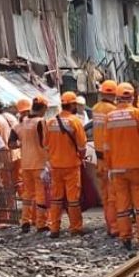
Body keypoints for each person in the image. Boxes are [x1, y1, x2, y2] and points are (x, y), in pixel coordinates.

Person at [106, 82, 139, 250]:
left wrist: (109, 167)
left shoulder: (110, 117)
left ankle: (125, 237)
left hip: (117, 168)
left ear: (117, 98)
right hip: (138, 166)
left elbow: (106, 146)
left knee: (122, 206)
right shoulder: (138, 114)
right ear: (133, 97)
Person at [42, 92, 87, 237]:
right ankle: (75, 228)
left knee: (56, 198)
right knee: (73, 199)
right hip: (71, 165)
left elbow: (46, 145)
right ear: (73, 104)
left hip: (55, 166)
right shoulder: (75, 121)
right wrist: (81, 157)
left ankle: (55, 228)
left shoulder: (50, 122)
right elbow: (82, 146)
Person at [11, 97, 49, 232]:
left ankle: (25, 221)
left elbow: (11, 144)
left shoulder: (20, 124)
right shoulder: (41, 122)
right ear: (44, 108)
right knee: (41, 194)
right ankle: (41, 223)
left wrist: (23, 144)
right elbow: (45, 143)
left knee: (27, 194)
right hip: (39, 163)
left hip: (25, 163)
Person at [92, 80, 119, 237]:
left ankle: (109, 225)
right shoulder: (113, 111)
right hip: (110, 157)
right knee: (113, 196)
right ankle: (114, 227)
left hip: (99, 156)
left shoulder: (96, 109)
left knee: (105, 195)